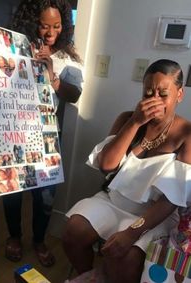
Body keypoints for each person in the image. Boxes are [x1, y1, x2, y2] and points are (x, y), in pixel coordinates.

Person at [62, 59, 191, 283]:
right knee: (74, 230)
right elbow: (106, 166)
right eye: (148, 93)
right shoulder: (127, 118)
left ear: (179, 94)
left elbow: (170, 200)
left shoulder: (187, 133)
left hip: (153, 215)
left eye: (163, 94)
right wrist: (134, 122)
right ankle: (89, 276)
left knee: (126, 257)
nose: (154, 100)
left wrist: (132, 232)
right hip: (114, 200)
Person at [3, 0, 83, 267]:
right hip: (13, 131)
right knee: (11, 190)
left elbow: (74, 94)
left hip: (48, 135)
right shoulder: (12, 47)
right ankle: (14, 236)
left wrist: (53, 76)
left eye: (57, 26)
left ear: (65, 25)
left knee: (46, 196)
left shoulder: (66, 56)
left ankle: (39, 240)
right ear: (31, 22)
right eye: (44, 26)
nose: (50, 33)